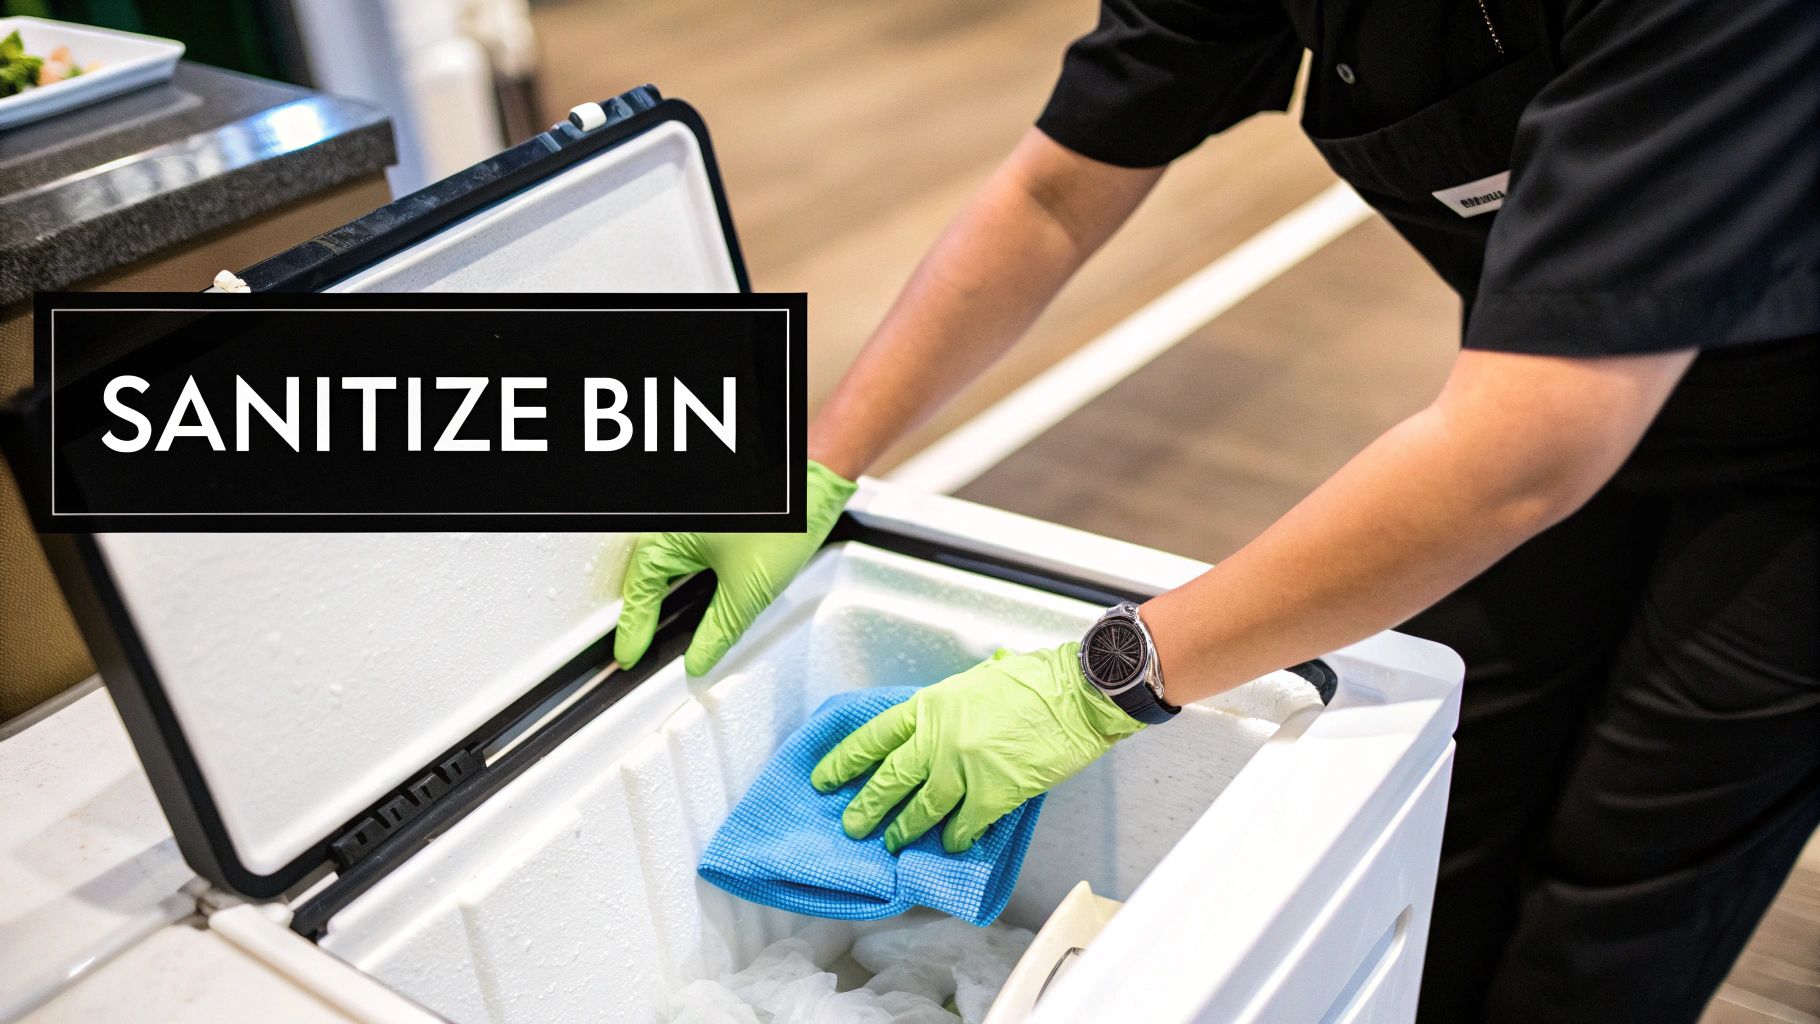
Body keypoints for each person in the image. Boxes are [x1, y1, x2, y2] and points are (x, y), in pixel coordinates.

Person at [612, 1, 1819, 1019]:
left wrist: (1102, 678)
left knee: (1628, 869)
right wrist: (808, 466)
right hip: (1560, 370)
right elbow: (1055, 192)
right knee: (1465, 780)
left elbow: (1517, 454)